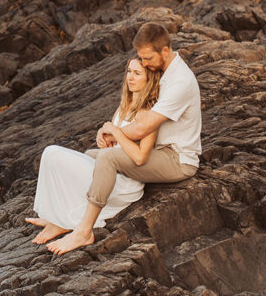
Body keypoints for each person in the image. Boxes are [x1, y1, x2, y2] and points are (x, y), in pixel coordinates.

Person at [43, 21, 202, 254]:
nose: (144, 64)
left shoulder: (180, 81)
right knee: (91, 156)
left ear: (165, 52)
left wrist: (111, 132)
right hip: (160, 151)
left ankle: (84, 231)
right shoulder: (165, 72)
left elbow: (141, 129)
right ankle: (67, 218)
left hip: (177, 159)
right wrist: (108, 133)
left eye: (147, 59)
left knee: (108, 159)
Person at [26, 57, 161, 245]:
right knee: (80, 155)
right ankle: (58, 218)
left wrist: (115, 132)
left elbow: (140, 157)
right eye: (129, 71)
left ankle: (67, 223)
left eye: (137, 73)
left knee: (52, 153)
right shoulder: (125, 106)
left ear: (150, 80)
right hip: (110, 172)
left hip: (125, 184)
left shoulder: (148, 113)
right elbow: (113, 141)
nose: (130, 77)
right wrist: (103, 136)